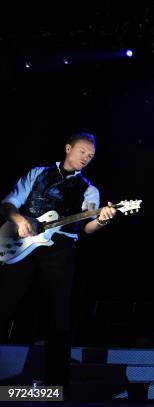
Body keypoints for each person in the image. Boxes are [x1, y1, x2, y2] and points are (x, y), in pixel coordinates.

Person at [0, 132, 117, 385]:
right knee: (3, 302)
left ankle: (57, 383)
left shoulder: (89, 190)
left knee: (58, 313)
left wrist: (102, 220)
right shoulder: (37, 173)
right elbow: (9, 203)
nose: (86, 158)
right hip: (20, 244)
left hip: (60, 249)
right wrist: (19, 220)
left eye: (91, 156)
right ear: (68, 148)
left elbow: (88, 227)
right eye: (82, 151)